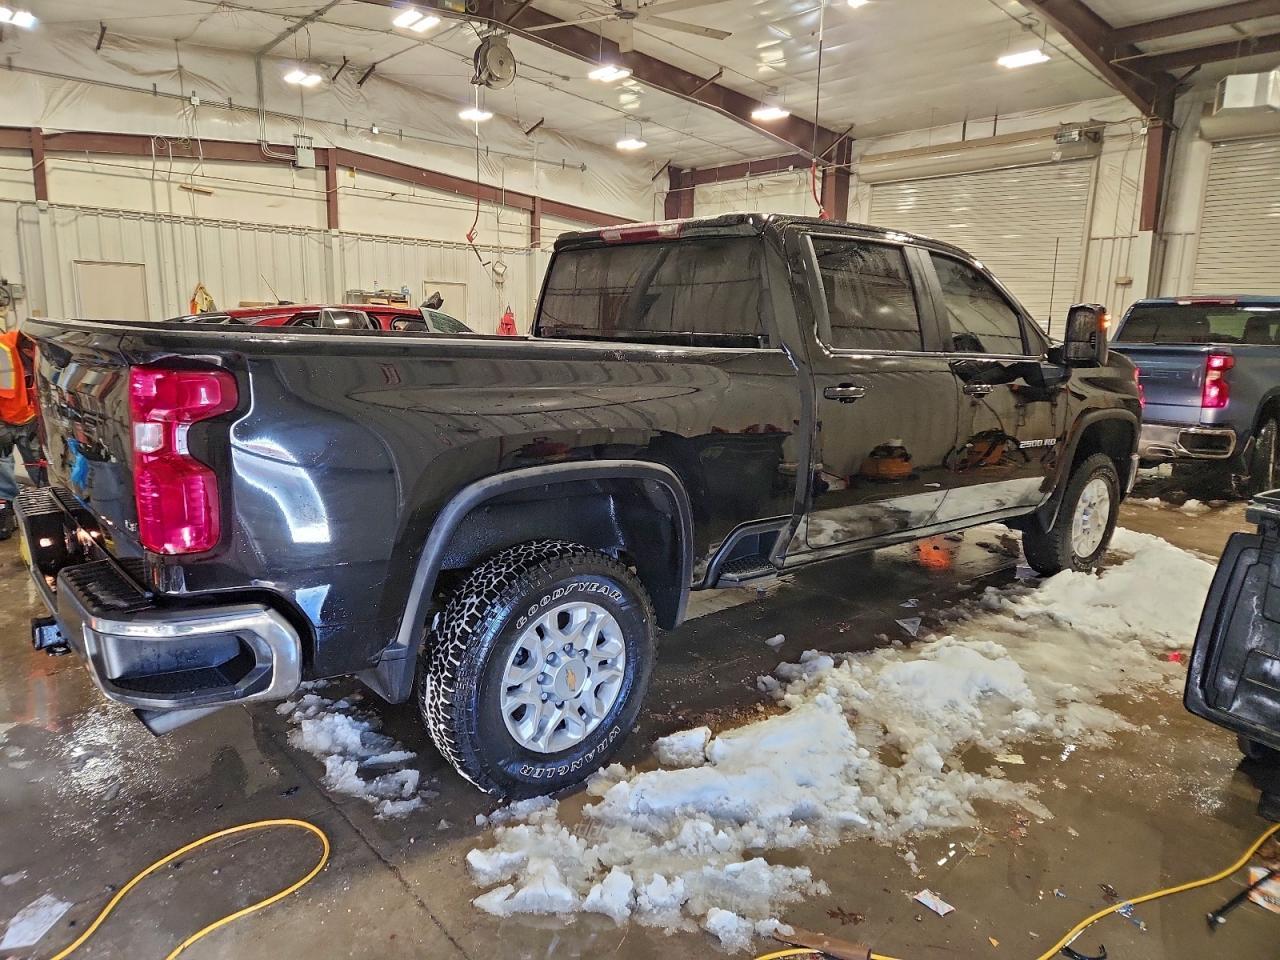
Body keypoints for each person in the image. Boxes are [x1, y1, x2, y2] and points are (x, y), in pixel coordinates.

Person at [0, 327, 46, 540]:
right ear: (29, 351)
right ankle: (4, 510)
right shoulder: (2, 352)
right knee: (1, 465)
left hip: (29, 417)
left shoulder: (36, 350)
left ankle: (48, 502)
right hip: (3, 420)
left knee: (41, 464)